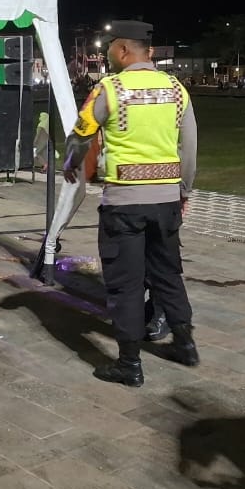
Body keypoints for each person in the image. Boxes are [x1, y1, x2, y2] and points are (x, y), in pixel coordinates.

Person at [62, 19, 199, 387]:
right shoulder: (177, 89)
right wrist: (183, 192)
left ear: (123, 50)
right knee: (168, 274)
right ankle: (185, 345)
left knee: (126, 284)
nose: (107, 52)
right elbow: (189, 148)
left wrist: (71, 164)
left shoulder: (110, 88)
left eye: (109, 46)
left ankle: (129, 364)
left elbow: (81, 134)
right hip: (166, 201)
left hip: (124, 204)